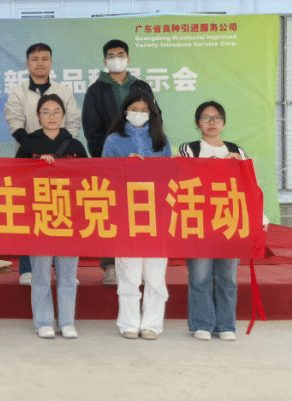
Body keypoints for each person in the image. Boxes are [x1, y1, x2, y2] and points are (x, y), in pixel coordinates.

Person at [5, 43, 82, 285]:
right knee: (30, 214)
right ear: (27, 63)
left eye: (45, 58)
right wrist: (35, 147)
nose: (40, 63)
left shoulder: (64, 91)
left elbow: (73, 121)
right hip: (30, 161)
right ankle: (27, 269)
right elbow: (15, 122)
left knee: (63, 213)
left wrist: (58, 148)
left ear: (51, 62)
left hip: (62, 164)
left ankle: (64, 271)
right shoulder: (18, 92)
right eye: (36, 59)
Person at [82, 39, 157, 286]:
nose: (117, 59)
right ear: (105, 61)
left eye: (121, 54)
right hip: (111, 161)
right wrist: (105, 159)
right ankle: (110, 265)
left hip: (143, 162)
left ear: (128, 58)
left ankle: (141, 261)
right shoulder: (96, 90)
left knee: (140, 211)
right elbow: (91, 129)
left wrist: (151, 152)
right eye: (112, 55)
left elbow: (155, 118)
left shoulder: (141, 86)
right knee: (111, 213)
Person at [15, 94, 88, 340]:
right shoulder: (29, 146)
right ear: (38, 116)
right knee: (41, 274)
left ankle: (67, 322)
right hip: (39, 218)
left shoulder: (75, 146)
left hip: (69, 219)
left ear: (64, 115)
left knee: (67, 275)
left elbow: (87, 179)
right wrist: (37, 168)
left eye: (57, 112)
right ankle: (44, 321)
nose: (52, 117)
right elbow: (17, 179)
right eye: (45, 112)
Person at [103, 91, 171, 340]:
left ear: (151, 114)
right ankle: (129, 322)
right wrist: (124, 164)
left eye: (144, 111)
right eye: (134, 109)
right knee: (128, 272)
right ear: (125, 111)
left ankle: (152, 323)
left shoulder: (161, 140)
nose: (139, 114)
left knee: (155, 274)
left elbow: (170, 175)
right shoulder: (113, 140)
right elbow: (104, 175)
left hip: (156, 214)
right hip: (126, 214)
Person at [178, 101, 246, 342]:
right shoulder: (189, 148)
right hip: (199, 221)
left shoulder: (237, 150)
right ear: (198, 123)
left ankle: (226, 324)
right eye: (205, 118)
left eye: (217, 118)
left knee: (227, 277)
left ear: (224, 122)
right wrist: (222, 166)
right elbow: (190, 177)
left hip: (230, 220)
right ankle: (202, 323)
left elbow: (247, 185)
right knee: (200, 276)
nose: (212, 123)